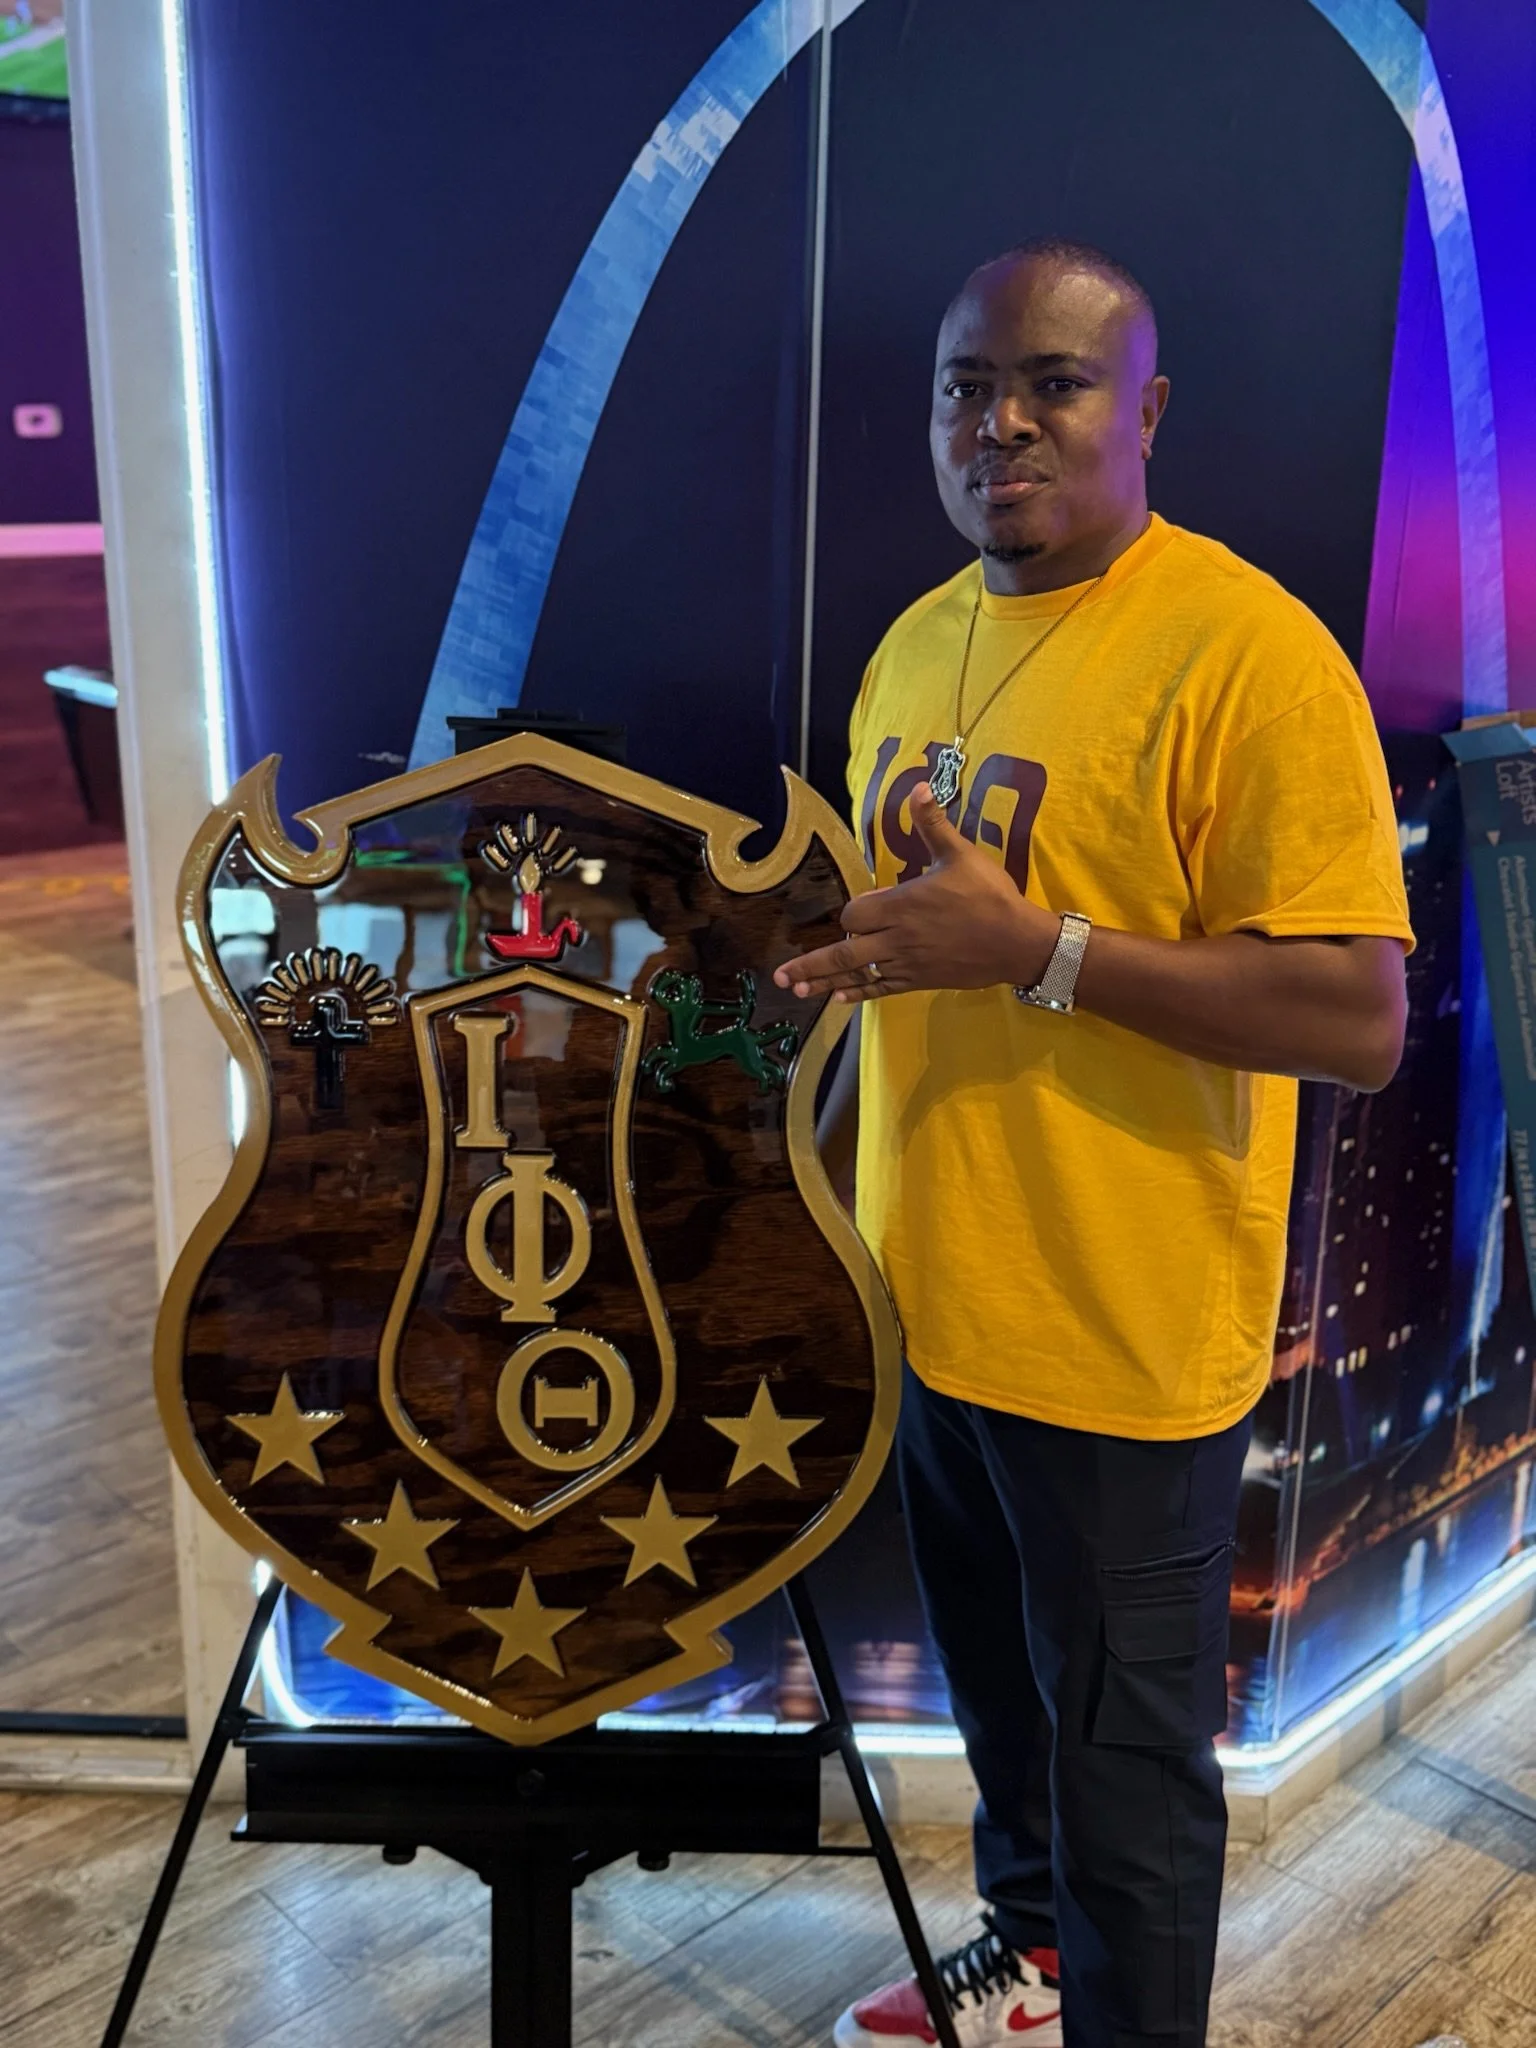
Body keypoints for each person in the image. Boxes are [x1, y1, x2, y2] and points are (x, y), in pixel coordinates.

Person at [774, 238, 1413, 2048]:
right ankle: (1031, 1965)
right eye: (967, 388)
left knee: (1130, 1788)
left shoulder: (1249, 655)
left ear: (1145, 410)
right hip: (936, 1305)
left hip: (1121, 1335)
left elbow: (1356, 1019)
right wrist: (817, 1214)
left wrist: (1039, 951)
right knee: (1003, 1712)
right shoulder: (916, 644)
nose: (1002, 424)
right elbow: (900, 973)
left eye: (1052, 383)